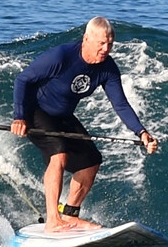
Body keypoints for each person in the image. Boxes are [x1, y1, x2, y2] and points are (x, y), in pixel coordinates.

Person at [11, 17, 159, 232]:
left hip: (63, 116)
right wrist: (19, 116)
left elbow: (120, 104)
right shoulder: (61, 56)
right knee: (59, 153)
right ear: (86, 38)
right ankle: (53, 219)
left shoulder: (107, 68)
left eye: (110, 44)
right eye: (101, 43)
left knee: (91, 162)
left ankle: (69, 215)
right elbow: (23, 79)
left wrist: (142, 132)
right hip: (36, 110)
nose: (106, 49)